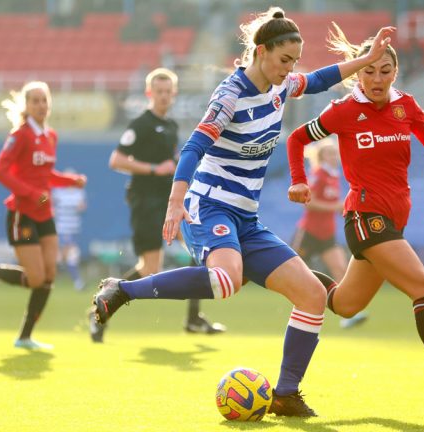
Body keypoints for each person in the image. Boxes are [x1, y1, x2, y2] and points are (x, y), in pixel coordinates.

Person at [91, 7, 395, 417]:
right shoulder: (229, 95)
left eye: (293, 62)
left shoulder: (279, 87)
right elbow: (194, 149)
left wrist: (366, 57)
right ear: (261, 51)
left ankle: (286, 394)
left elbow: (320, 80)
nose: (290, 70)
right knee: (225, 281)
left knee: (312, 295)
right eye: (284, 60)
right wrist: (176, 202)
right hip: (209, 203)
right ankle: (122, 290)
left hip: (246, 218)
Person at [286, 24, 424, 406]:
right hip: (366, 218)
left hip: (394, 221)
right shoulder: (344, 111)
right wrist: (299, 180)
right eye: (369, 70)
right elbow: (297, 138)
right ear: (359, 71)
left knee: (346, 305)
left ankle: (282, 272)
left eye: (385, 70)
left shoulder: (407, 106)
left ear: (395, 72)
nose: (377, 78)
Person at [90, 67, 225, 343]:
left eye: (168, 92)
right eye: (159, 91)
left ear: (174, 94)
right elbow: (116, 160)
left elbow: (172, 161)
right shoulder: (140, 124)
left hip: (169, 203)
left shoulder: (172, 126)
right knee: (150, 268)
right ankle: (101, 308)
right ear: (149, 93)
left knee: (199, 254)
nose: (164, 96)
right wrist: (153, 168)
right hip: (146, 202)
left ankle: (193, 318)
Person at [0, 81, 87, 349]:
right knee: (36, 278)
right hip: (22, 214)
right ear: (26, 106)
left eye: (44, 100)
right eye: (35, 100)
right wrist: (32, 194)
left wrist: (70, 181)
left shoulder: (51, 136)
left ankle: (24, 337)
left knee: (49, 276)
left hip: (44, 214)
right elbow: (0, 171)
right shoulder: (20, 135)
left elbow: (46, 174)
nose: (41, 105)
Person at [290, 137, 367, 329]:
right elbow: (310, 202)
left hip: (327, 233)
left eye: (335, 153)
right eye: (330, 153)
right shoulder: (319, 175)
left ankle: (347, 314)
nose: (335, 156)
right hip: (309, 231)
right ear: (322, 157)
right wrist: (336, 206)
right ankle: (300, 309)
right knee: (295, 271)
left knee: (340, 269)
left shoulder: (334, 176)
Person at [52, 170, 87, 291]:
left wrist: (81, 207)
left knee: (69, 256)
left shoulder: (79, 193)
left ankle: (72, 278)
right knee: (71, 254)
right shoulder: (58, 192)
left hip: (74, 228)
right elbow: (44, 201)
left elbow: (83, 207)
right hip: (62, 228)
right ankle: (78, 282)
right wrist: (49, 207)